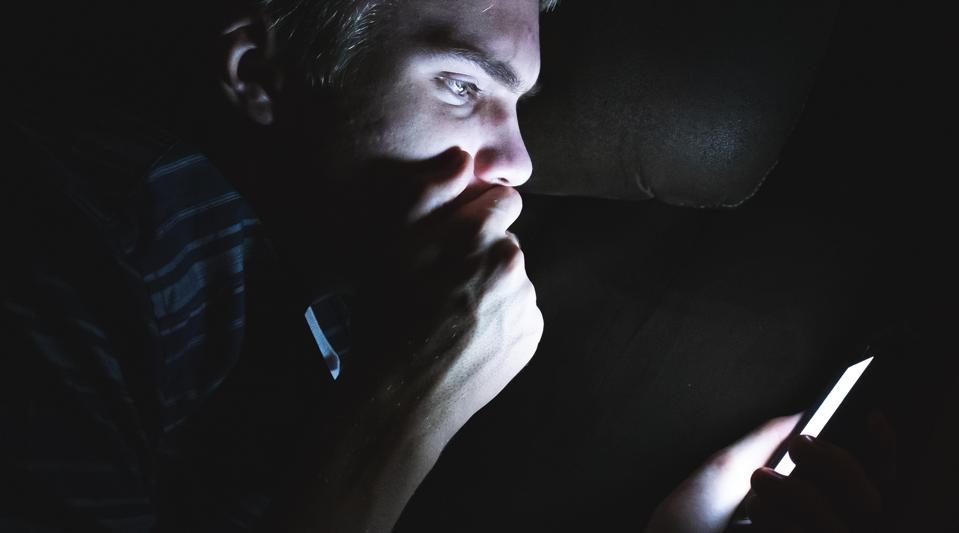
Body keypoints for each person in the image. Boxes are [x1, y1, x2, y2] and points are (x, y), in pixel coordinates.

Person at [1, 0, 892, 531]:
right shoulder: (73, 234)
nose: (519, 161)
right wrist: (407, 403)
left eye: (517, 103)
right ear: (258, 73)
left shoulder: (341, 284)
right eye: (463, 86)